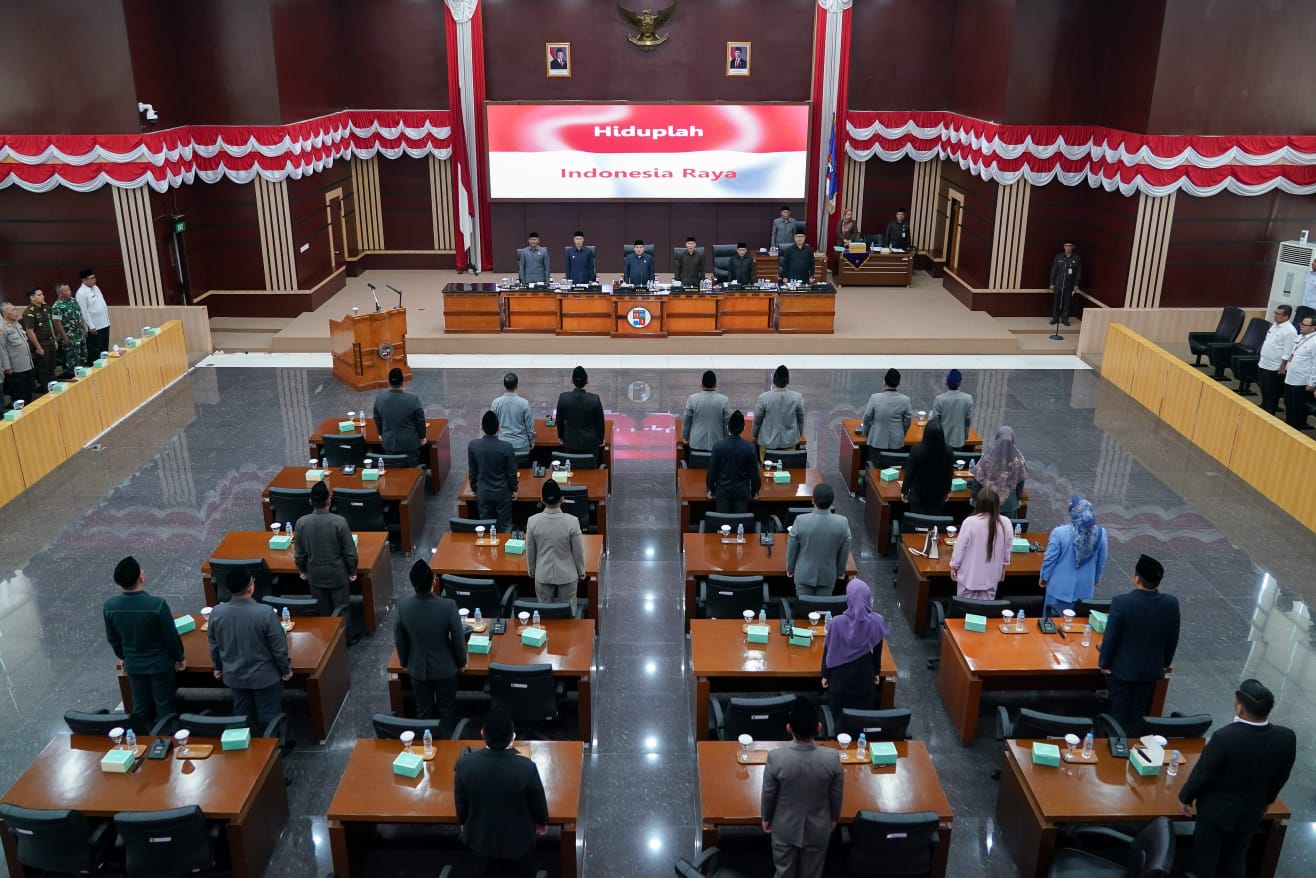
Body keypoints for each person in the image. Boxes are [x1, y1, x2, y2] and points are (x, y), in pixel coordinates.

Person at [1178, 679, 1297, 878]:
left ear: (1241, 709)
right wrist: (1267, 800)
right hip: (1253, 810)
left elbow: (1203, 774)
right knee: (1236, 857)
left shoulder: (1225, 737)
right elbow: (1281, 776)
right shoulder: (1286, 737)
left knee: (1205, 858)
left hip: (1216, 813)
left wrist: (1186, 798)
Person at [454, 706, 549, 877]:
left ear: (483, 733)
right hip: (518, 842)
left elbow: (461, 802)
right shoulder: (526, 768)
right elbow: (538, 802)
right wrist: (542, 822)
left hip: (480, 839)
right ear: (512, 737)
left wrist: (463, 822)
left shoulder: (464, 765)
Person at [760, 697, 843, 878]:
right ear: (819, 727)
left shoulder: (776, 758)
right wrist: (834, 818)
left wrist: (766, 817)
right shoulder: (832, 758)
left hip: (784, 827)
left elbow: (768, 794)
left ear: (789, 728)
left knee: (783, 872)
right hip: (818, 827)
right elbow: (836, 795)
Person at [103, 556, 185, 732]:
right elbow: (170, 636)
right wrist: (179, 656)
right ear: (140, 577)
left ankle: (142, 742)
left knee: (141, 707)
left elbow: (114, 638)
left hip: (134, 665)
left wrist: (123, 656)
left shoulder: (110, 606)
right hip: (160, 665)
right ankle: (165, 743)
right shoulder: (157, 605)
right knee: (165, 707)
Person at [1098, 554, 1179, 733]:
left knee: (1118, 712)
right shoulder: (1171, 604)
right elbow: (1172, 638)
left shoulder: (1122, 603)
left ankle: (1115, 747)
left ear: (1136, 578)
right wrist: (1165, 664)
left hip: (1121, 671)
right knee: (1138, 711)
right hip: (1151, 671)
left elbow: (1111, 637)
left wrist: (1104, 663)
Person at [207, 567, 292, 724]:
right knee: (269, 717)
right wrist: (285, 669)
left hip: (234, 676)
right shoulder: (265, 613)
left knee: (242, 718)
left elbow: (215, 645)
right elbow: (278, 648)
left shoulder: (216, 613)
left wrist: (218, 667)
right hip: (265, 677)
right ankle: (272, 745)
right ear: (251, 587)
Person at [395, 558, 467, 733]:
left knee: (423, 711)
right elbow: (458, 637)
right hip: (446, 667)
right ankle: (448, 742)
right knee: (447, 710)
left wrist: (405, 662)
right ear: (433, 581)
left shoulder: (403, 608)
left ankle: (427, 747)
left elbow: (400, 637)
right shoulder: (448, 606)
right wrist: (462, 661)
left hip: (417, 667)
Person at [293, 480, 360, 643]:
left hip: (315, 576)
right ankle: (346, 638)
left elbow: (299, 554)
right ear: (329, 501)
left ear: (311, 502)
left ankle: (327, 641)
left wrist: (302, 570)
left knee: (322, 611)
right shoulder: (339, 522)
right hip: (338, 574)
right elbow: (349, 552)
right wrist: (352, 571)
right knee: (342, 608)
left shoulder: (301, 523)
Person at [821, 579, 888, 713]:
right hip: (865, 683)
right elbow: (877, 651)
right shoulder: (877, 621)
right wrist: (875, 672)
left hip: (839, 684)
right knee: (860, 720)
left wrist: (825, 675)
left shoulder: (836, 622)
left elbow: (829, 650)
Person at [1039, 496, 1107, 615]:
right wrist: (1096, 578)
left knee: (1050, 624)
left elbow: (1050, 559)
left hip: (1058, 589)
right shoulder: (1101, 533)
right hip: (1085, 590)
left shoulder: (1060, 532)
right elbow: (1101, 560)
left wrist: (1044, 576)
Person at [525, 480, 586, 604]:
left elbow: (530, 550)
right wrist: (581, 571)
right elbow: (578, 551)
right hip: (568, 575)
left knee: (546, 615)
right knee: (568, 615)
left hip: (542, 575)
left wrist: (532, 570)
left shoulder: (532, 521)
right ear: (562, 499)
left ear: (542, 500)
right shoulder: (572, 521)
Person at [785, 484, 851, 598]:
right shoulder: (842, 523)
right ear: (832, 502)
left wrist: (790, 568)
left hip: (804, 574)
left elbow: (792, 547)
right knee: (823, 610)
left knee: (804, 608)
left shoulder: (800, 521)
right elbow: (845, 550)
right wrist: (840, 572)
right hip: (828, 575)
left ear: (813, 500)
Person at [949, 487, 1012, 600]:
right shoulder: (1006, 523)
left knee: (965, 611)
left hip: (969, 577)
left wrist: (954, 566)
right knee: (984, 611)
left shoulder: (970, 522)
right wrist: (1003, 566)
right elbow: (1007, 549)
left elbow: (960, 549)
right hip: (991, 578)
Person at [468, 410, 518, 533]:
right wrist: (514, 489)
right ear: (498, 429)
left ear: (482, 428)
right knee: (505, 526)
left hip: (483, 492)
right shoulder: (506, 447)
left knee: (486, 527)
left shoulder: (473, 445)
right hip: (503, 492)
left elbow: (472, 471)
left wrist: (474, 488)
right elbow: (511, 472)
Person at [707, 410, 760, 514]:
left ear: (728, 427)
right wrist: (755, 491)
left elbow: (712, 471)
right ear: (743, 428)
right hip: (742, 493)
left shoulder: (718, 446)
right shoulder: (750, 447)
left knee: (723, 522)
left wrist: (710, 489)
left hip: (722, 492)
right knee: (739, 522)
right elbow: (754, 473)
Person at [372, 367, 426, 467]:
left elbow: (377, 418)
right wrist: (422, 436)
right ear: (403, 382)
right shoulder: (413, 399)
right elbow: (420, 419)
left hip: (389, 444)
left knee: (393, 472)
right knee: (411, 473)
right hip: (409, 445)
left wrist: (381, 433)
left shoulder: (380, 399)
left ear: (388, 382)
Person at [972, 425, 1027, 517]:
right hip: (1009, 504)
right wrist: (1018, 498)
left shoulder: (989, 455)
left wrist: (973, 495)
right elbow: (1021, 481)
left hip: (988, 501)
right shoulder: (1018, 458)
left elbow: (978, 477)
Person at [901, 421, 953, 516]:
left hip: (918, 494)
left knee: (919, 522)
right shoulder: (948, 451)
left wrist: (904, 491)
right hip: (938, 495)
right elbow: (949, 473)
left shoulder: (916, 450)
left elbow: (909, 473)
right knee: (933, 523)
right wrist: (948, 490)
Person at [861, 368, 912, 464]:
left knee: (874, 469)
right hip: (896, 443)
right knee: (894, 471)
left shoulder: (875, 398)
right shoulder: (905, 400)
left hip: (876, 441)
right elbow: (907, 421)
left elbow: (867, 418)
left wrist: (866, 433)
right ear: (898, 383)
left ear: (884, 382)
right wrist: (901, 433)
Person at [753, 364, 806, 455]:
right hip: (789, 444)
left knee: (766, 469)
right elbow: (800, 420)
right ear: (788, 381)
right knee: (788, 468)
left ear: (774, 380)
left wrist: (754, 434)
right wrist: (798, 434)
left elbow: (757, 420)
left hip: (767, 445)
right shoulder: (797, 398)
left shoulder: (763, 398)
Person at [555, 365, 605, 457]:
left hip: (570, 442)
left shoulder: (563, 398)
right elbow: (600, 422)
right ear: (587, 381)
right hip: (590, 444)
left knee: (572, 467)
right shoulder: (594, 399)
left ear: (572, 381)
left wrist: (561, 437)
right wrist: (601, 438)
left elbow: (559, 420)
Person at [1256, 304, 1297, 415]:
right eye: (1276, 313)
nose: (1275, 316)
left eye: (1279, 314)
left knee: (1272, 391)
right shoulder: (1274, 325)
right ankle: (1264, 406)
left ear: (1286, 316)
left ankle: (1270, 412)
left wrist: (1282, 367)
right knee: (1262, 386)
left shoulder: (1290, 331)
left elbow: (1287, 352)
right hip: (1264, 362)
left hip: (1275, 366)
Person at [1280, 312, 1316, 429]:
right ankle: (1288, 425)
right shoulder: (1300, 337)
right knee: (1288, 403)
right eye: (1301, 323)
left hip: (1301, 380)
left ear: (1313, 327)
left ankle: (1294, 429)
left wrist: (1312, 383)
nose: (1301, 326)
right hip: (1290, 376)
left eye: (1304, 325)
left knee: (1297, 407)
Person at [682, 370, 732, 453]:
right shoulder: (724, 400)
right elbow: (727, 423)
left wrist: (685, 436)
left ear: (701, 385)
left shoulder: (692, 399)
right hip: (717, 443)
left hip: (696, 443)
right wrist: (727, 438)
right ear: (716, 385)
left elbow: (687, 420)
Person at [1, 302, 37, 409]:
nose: (16, 312)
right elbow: (2, 349)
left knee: (29, 391)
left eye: (15, 309)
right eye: (12, 310)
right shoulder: (2, 328)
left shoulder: (17, 324)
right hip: (16, 368)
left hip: (27, 364)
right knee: (18, 395)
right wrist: (7, 367)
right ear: (4, 314)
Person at [492, 372, 535, 458]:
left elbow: (493, 425)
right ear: (517, 385)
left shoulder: (495, 403)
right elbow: (529, 426)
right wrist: (531, 440)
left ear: (504, 385)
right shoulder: (524, 403)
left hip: (502, 444)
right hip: (521, 445)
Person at [23, 288, 58, 390]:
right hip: (41, 343)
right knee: (44, 369)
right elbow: (30, 331)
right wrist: (38, 347)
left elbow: (50, 323)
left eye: (42, 294)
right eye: (39, 295)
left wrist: (54, 339)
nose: (42, 296)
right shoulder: (29, 312)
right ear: (32, 298)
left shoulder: (46, 307)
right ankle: (47, 390)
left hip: (50, 341)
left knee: (52, 367)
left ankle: (55, 388)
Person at [930, 369, 973, 449]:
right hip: (958, 439)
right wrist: (965, 435)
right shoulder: (968, 399)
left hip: (942, 440)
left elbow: (935, 422)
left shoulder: (939, 399)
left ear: (947, 382)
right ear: (960, 383)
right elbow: (968, 421)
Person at [50, 282, 85, 378]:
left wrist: (84, 328)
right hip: (69, 336)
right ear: (60, 293)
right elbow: (57, 323)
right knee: (72, 360)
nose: (69, 292)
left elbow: (79, 315)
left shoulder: (74, 301)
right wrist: (64, 337)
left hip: (80, 334)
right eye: (66, 290)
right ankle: (73, 377)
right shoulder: (56, 306)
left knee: (82, 357)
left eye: (69, 289)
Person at [75, 268, 111, 362]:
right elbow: (83, 311)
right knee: (95, 350)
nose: (94, 280)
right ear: (84, 280)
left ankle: (106, 365)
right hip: (95, 327)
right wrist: (91, 326)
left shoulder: (96, 288)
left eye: (94, 277)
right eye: (91, 278)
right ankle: (96, 368)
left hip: (104, 323)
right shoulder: (81, 293)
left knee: (104, 346)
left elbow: (102, 303)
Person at [1048, 240, 1082, 326]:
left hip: (1069, 285)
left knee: (1067, 303)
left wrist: (1076, 284)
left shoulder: (1076, 258)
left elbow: (1078, 272)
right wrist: (1052, 283)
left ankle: (1065, 319)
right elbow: (1054, 270)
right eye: (1066, 246)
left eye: (1069, 246)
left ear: (1072, 247)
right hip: (1058, 283)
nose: (1067, 247)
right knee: (1056, 302)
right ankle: (1055, 318)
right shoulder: (1059, 257)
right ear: (1064, 247)